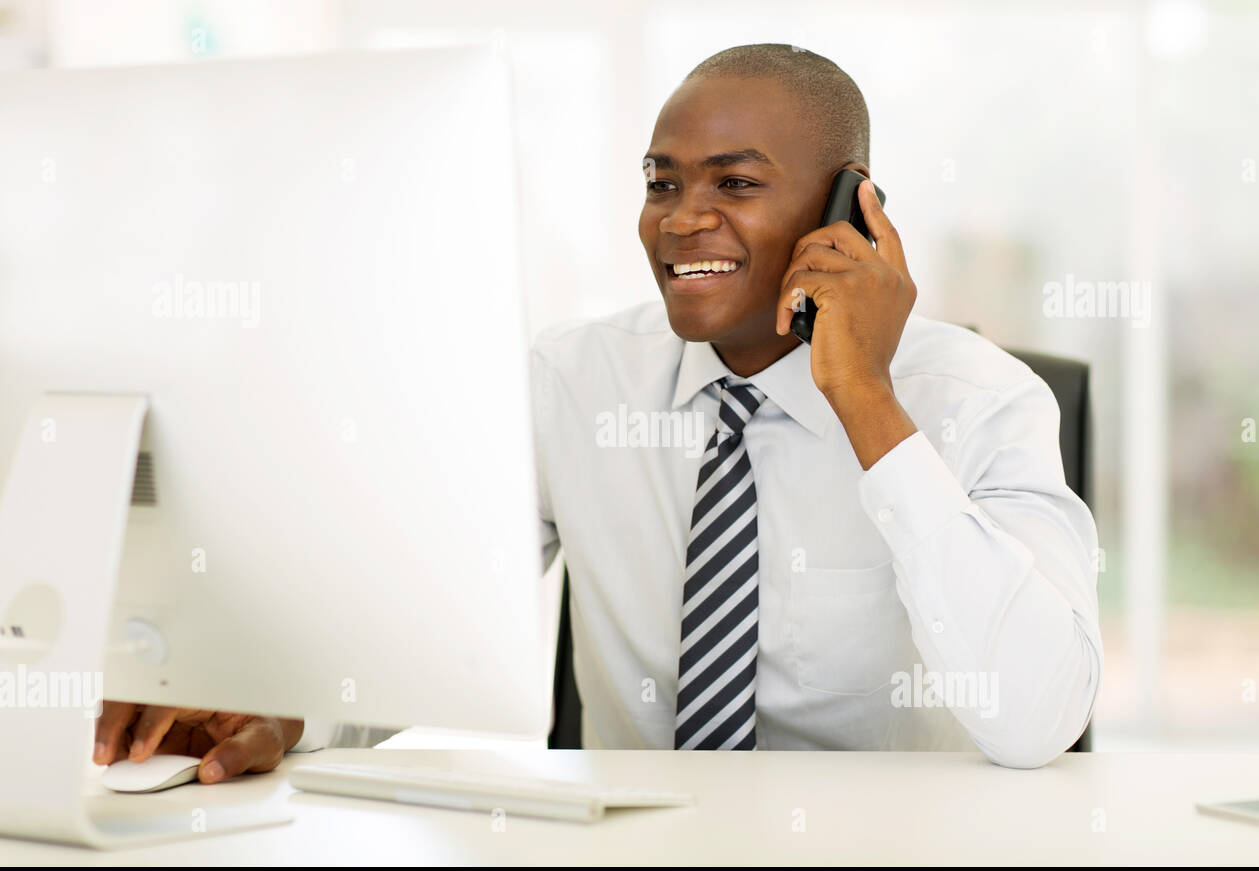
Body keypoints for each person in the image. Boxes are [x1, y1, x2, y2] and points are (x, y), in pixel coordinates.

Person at [95, 42, 1101, 779]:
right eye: (661, 182)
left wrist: (867, 404)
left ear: (852, 209)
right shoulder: (576, 383)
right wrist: (281, 709)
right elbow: (414, 622)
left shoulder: (977, 398)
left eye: (735, 183)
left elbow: (1034, 719)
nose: (681, 218)